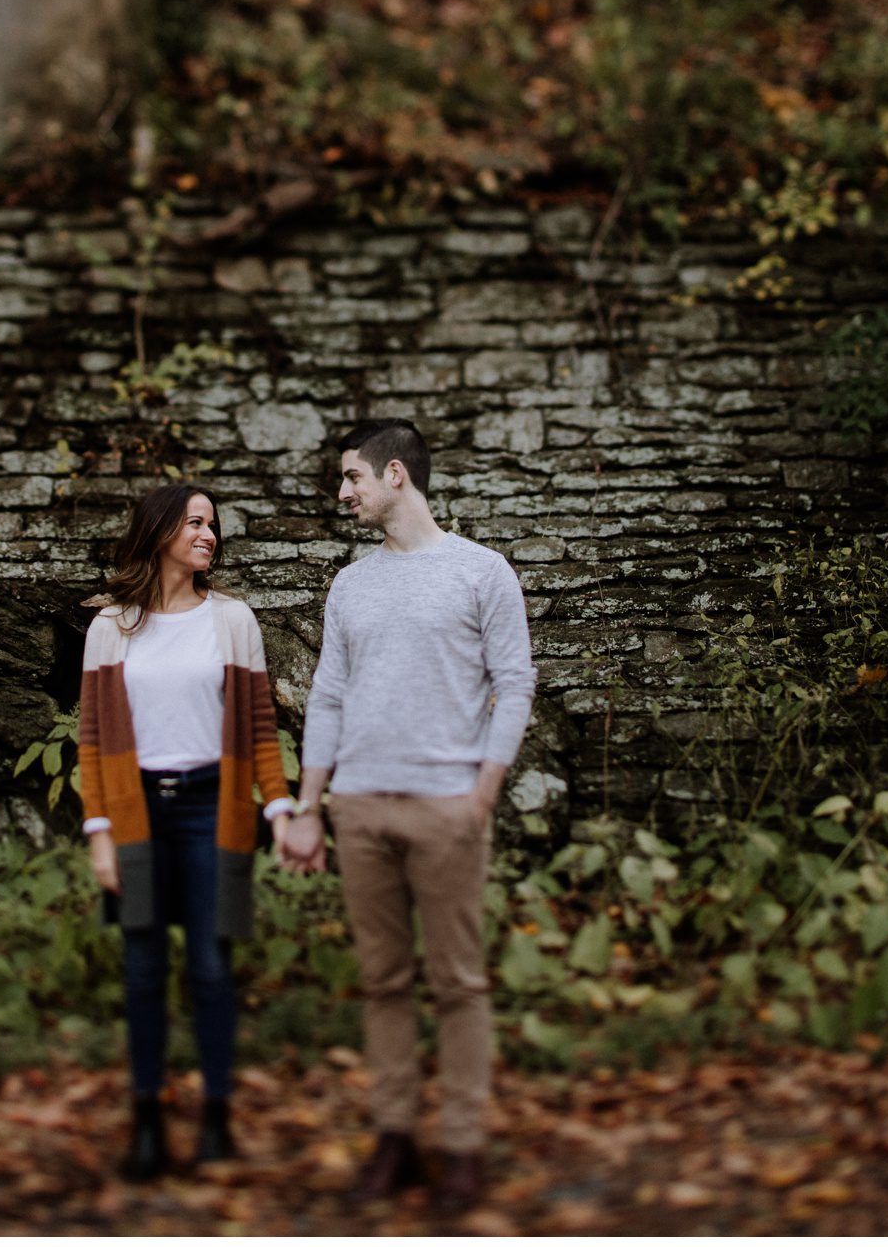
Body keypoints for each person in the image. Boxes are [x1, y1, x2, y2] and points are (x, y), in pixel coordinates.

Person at [279, 418, 537, 1216]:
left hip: (447, 809)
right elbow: (327, 696)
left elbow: (516, 683)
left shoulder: (480, 572)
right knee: (384, 982)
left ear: (396, 474)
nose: (342, 492)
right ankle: (395, 1139)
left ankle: (459, 1145)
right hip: (360, 808)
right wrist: (310, 807)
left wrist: (483, 793)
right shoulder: (350, 583)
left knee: (458, 983)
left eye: (351, 477)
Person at [76, 483, 295, 1182]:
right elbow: (90, 740)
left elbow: (260, 727)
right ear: (162, 530)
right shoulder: (111, 629)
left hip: (210, 811)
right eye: (195, 522)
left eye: (213, 525)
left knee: (210, 967)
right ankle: (145, 1120)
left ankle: (217, 1118)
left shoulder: (233, 621)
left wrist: (280, 808)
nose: (209, 534)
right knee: (143, 972)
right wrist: (100, 832)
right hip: (138, 810)